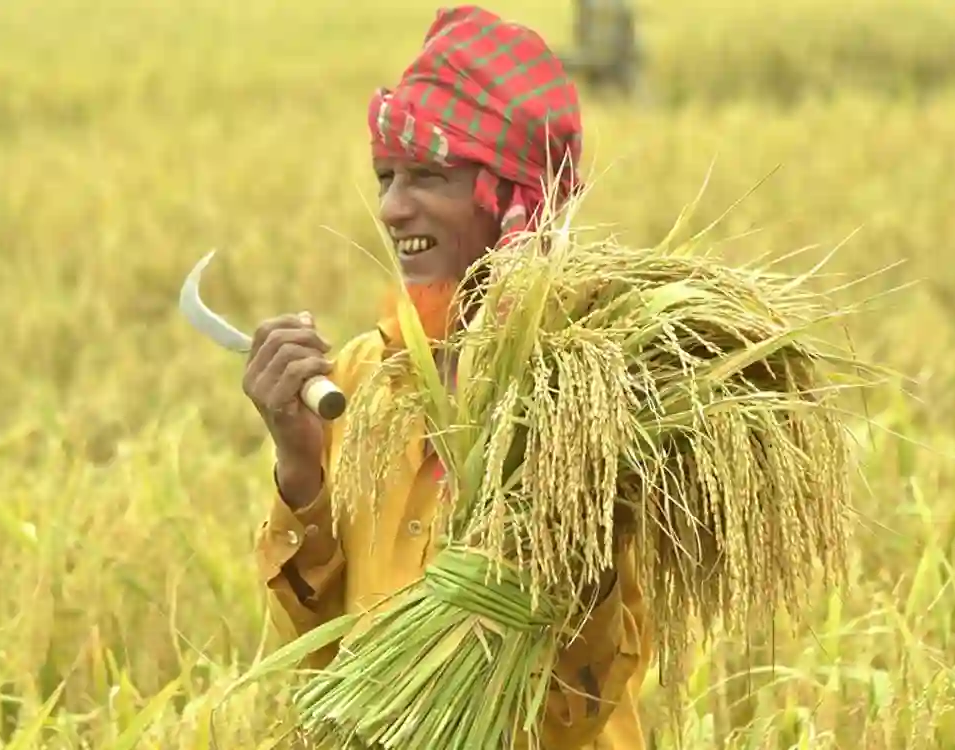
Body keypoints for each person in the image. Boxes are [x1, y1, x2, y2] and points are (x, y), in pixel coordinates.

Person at [244, 6, 652, 749]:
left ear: (512, 194)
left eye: (428, 176)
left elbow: (580, 706)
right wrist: (300, 467)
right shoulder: (363, 378)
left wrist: (578, 518)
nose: (392, 208)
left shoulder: (592, 392)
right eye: (385, 177)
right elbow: (321, 661)